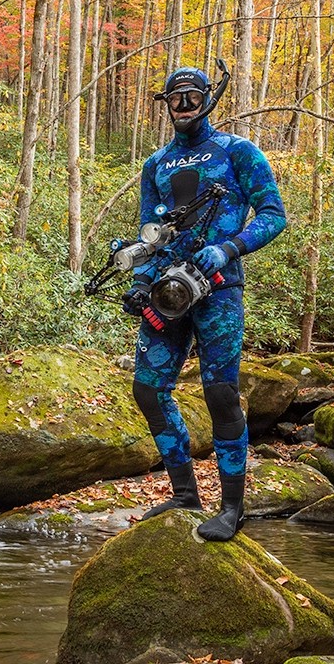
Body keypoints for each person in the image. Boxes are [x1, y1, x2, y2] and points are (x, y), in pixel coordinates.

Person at [123, 64, 287, 542]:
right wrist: (141, 281)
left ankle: (232, 509)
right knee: (148, 390)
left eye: (192, 96)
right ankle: (184, 495)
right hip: (167, 291)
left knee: (220, 393)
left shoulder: (238, 151)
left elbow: (274, 214)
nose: (183, 105)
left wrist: (229, 248)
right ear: (166, 104)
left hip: (220, 288)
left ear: (208, 99)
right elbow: (149, 235)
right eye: (175, 98)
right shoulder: (156, 165)